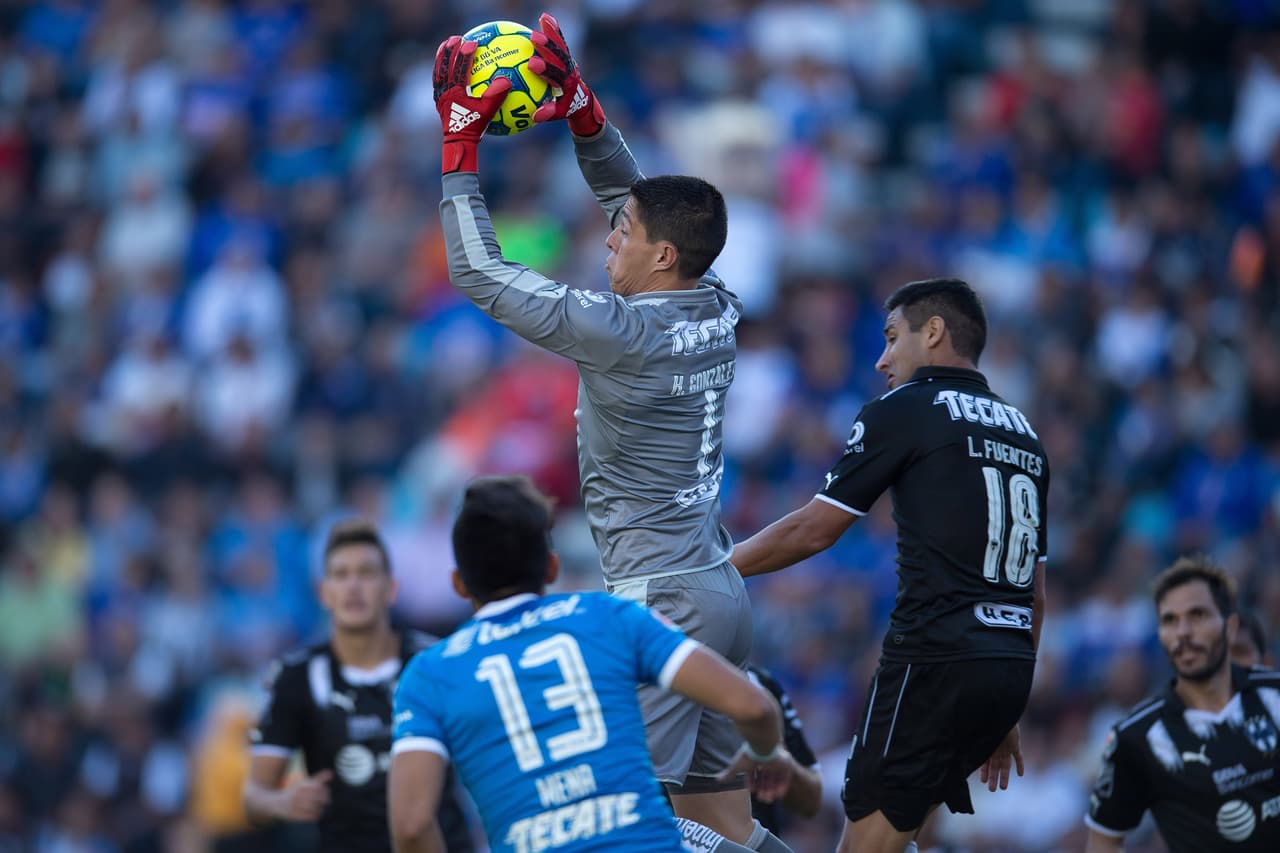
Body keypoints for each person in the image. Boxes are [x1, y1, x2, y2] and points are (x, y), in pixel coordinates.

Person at [430, 15, 781, 850]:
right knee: (723, 820)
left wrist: (458, 149)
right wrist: (583, 111)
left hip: (659, 601)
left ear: (662, 257)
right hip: (719, 590)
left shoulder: (622, 331)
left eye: (623, 234)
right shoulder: (716, 302)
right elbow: (644, 203)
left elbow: (478, 271)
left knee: (635, 822)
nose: (609, 237)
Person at [731, 278, 1049, 853]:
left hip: (932, 662)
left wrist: (713, 570)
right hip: (1007, 668)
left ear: (933, 332)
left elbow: (813, 529)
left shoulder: (906, 408)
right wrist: (1007, 705)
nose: (881, 359)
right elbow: (1036, 589)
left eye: (892, 337)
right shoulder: (1025, 432)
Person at [387, 475, 793, 853]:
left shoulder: (429, 674)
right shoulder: (609, 617)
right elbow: (753, 706)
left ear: (458, 582)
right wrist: (765, 752)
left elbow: (410, 825)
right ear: (551, 566)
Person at [242, 520, 472, 852]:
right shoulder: (296, 676)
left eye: (366, 573)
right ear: (324, 593)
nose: (353, 586)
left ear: (391, 589)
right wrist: (283, 803)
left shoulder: (436, 662)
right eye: (341, 574)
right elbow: (253, 798)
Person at [1084, 556, 1280, 852]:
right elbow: (1104, 839)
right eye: (1170, 620)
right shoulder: (1137, 737)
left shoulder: (1274, 694)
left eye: (1197, 615)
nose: (1183, 632)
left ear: (1229, 626)